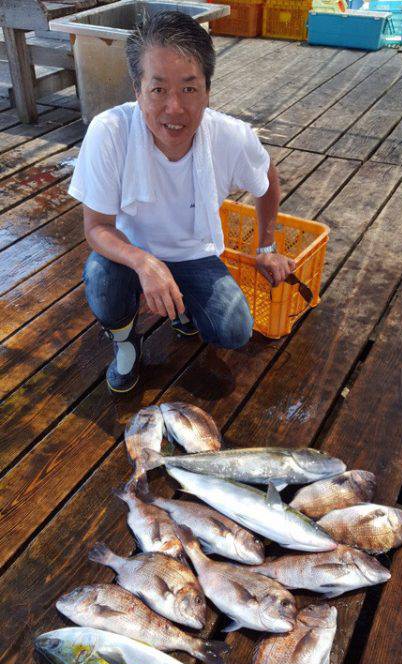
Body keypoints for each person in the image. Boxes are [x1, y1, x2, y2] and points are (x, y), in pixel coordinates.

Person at [69, 11, 294, 394]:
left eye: (189, 89)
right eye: (158, 89)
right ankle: (126, 343)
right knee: (102, 277)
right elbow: (96, 228)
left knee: (235, 330)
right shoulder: (109, 132)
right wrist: (144, 262)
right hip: (129, 251)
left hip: (195, 252)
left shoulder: (231, 136)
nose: (174, 108)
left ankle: (182, 306)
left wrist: (267, 246)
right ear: (137, 90)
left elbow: (267, 179)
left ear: (208, 90)